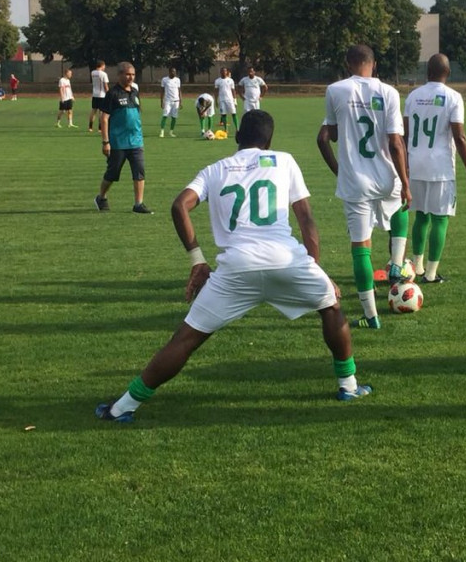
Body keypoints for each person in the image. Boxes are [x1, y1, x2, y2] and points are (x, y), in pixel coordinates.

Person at [95, 110, 371, 423]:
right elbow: (306, 219)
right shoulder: (284, 160)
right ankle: (348, 386)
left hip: (236, 267)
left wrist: (198, 260)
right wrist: (315, 271)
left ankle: (123, 407)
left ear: (237, 136)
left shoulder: (215, 170)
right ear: (269, 141)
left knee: (186, 338)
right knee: (331, 308)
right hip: (286, 259)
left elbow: (179, 205)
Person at [317, 44, 412, 330]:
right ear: (374, 64)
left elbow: (325, 137)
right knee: (400, 209)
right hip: (387, 176)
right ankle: (396, 265)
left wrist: (340, 171)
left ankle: (371, 317)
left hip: (356, 181)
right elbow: (396, 143)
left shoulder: (335, 90)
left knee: (361, 249)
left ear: (348, 64)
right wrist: (406, 183)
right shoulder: (390, 92)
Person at [403, 53, 466, 284]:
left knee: (421, 216)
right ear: (449, 73)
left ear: (427, 72)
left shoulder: (413, 96)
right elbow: (460, 137)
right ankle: (431, 274)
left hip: (415, 164)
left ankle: (417, 267)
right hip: (440, 167)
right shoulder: (453, 97)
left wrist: (404, 164)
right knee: (440, 219)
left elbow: (404, 133)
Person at [95, 62, 151, 214]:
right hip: (118, 142)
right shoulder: (112, 94)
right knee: (112, 174)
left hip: (136, 141)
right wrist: (105, 142)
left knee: (139, 172)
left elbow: (136, 114)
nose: (130, 77)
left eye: (133, 74)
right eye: (127, 74)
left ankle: (138, 204)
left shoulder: (135, 92)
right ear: (119, 75)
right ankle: (101, 197)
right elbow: (104, 118)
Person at [214, 67, 239, 133]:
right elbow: (216, 91)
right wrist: (216, 100)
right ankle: (226, 129)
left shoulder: (230, 80)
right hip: (222, 100)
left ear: (227, 72)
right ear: (220, 72)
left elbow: (233, 90)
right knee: (223, 114)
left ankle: (237, 128)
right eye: (222, 71)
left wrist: (235, 100)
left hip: (230, 100)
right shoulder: (217, 81)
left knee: (234, 113)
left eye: (225, 71)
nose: (223, 72)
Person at [159, 67, 182, 138]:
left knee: (174, 117)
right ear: (169, 72)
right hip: (168, 101)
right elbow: (162, 91)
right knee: (165, 115)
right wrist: (161, 101)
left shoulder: (178, 80)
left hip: (176, 101)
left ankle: (171, 132)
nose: (174, 73)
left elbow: (179, 90)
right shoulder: (164, 79)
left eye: (175, 72)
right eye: (172, 71)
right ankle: (162, 132)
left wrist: (181, 101)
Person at [88, 61, 110, 133]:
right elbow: (105, 85)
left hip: (94, 94)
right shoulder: (103, 74)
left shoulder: (92, 73)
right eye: (104, 66)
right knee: (101, 112)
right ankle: (100, 128)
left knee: (93, 111)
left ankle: (90, 127)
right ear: (102, 65)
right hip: (102, 95)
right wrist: (108, 93)